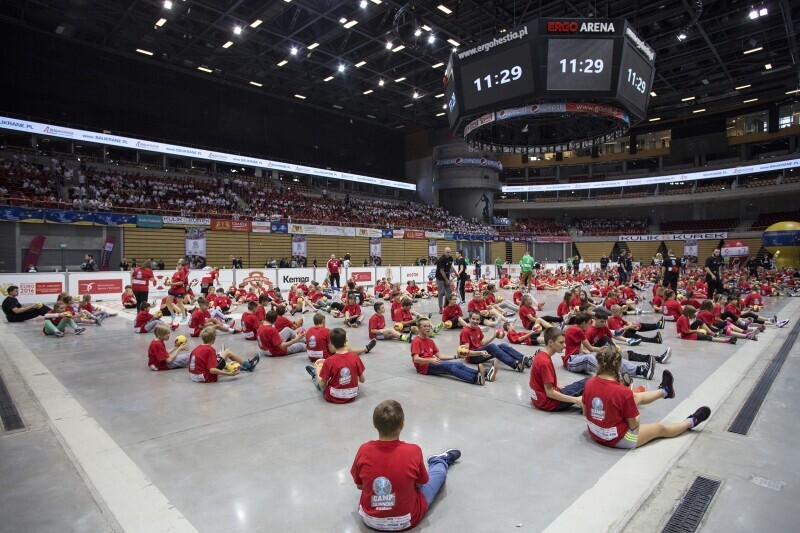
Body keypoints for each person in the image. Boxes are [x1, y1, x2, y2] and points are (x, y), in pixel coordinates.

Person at [351, 400, 461, 531]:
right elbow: (421, 483)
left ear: (374, 423)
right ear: (402, 425)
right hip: (408, 520)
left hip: (369, 520)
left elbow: (359, 485)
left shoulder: (364, 450)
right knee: (438, 475)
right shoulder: (413, 451)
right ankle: (439, 461)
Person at [583, 346, 710, 449]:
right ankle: (691, 421)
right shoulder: (623, 392)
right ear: (619, 365)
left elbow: (585, 412)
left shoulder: (589, 383)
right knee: (660, 428)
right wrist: (637, 415)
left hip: (595, 433)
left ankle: (665, 391)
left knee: (634, 397)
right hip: (617, 439)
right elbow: (633, 425)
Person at [411, 318, 489, 385]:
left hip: (433, 362)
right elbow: (416, 359)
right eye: (425, 326)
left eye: (429, 326)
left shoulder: (430, 341)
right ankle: (475, 379)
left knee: (459, 364)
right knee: (450, 367)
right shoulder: (416, 341)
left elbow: (440, 356)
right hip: (424, 367)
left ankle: (484, 374)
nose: (428, 328)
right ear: (419, 328)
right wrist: (431, 360)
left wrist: (456, 356)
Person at [530, 327, 587, 412]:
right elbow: (550, 393)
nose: (564, 345)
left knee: (579, 385)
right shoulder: (545, 362)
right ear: (550, 342)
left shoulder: (540, 355)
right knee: (589, 381)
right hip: (549, 403)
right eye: (561, 342)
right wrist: (576, 400)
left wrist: (558, 386)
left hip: (537, 399)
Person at [304, 327, 365, 403]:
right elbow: (362, 380)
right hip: (352, 395)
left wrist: (317, 371)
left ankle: (314, 374)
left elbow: (322, 385)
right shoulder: (355, 357)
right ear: (345, 341)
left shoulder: (329, 361)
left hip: (333, 397)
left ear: (331, 343)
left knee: (320, 377)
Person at [458, 311, 523, 373]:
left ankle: (524, 360)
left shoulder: (477, 328)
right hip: (472, 358)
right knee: (492, 347)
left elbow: (482, 344)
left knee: (503, 346)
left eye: (477, 319)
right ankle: (515, 364)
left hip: (480, 352)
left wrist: (493, 336)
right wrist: (480, 352)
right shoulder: (465, 331)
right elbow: (466, 353)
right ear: (469, 319)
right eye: (473, 319)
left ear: (480, 321)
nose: (475, 321)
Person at [188, 327, 259, 383]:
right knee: (227, 352)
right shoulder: (210, 349)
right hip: (205, 377)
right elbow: (212, 370)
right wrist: (229, 374)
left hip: (194, 376)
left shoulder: (197, 348)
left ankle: (240, 367)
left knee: (218, 359)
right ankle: (249, 366)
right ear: (214, 338)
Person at [435, 247, 454, 313]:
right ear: (444, 252)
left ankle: (447, 306)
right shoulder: (441, 260)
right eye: (447, 252)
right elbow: (442, 271)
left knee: (449, 292)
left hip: (447, 276)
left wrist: (456, 273)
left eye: (450, 252)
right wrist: (446, 280)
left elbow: (450, 266)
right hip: (440, 277)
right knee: (441, 292)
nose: (449, 254)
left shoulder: (450, 258)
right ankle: (440, 308)